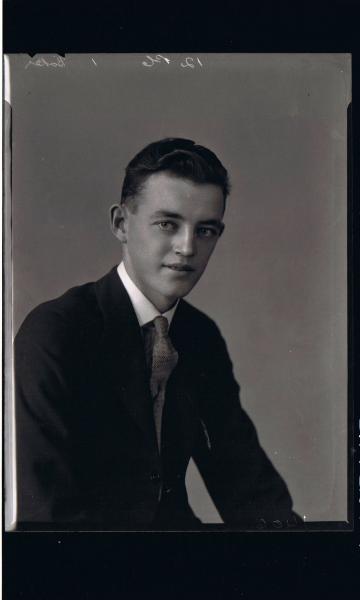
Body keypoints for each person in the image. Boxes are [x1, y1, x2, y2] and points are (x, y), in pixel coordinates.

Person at [15, 137, 300, 530]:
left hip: (175, 561)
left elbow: (246, 483)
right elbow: (44, 515)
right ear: (121, 224)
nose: (187, 248)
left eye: (206, 230)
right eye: (168, 224)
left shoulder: (200, 335)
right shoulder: (56, 332)